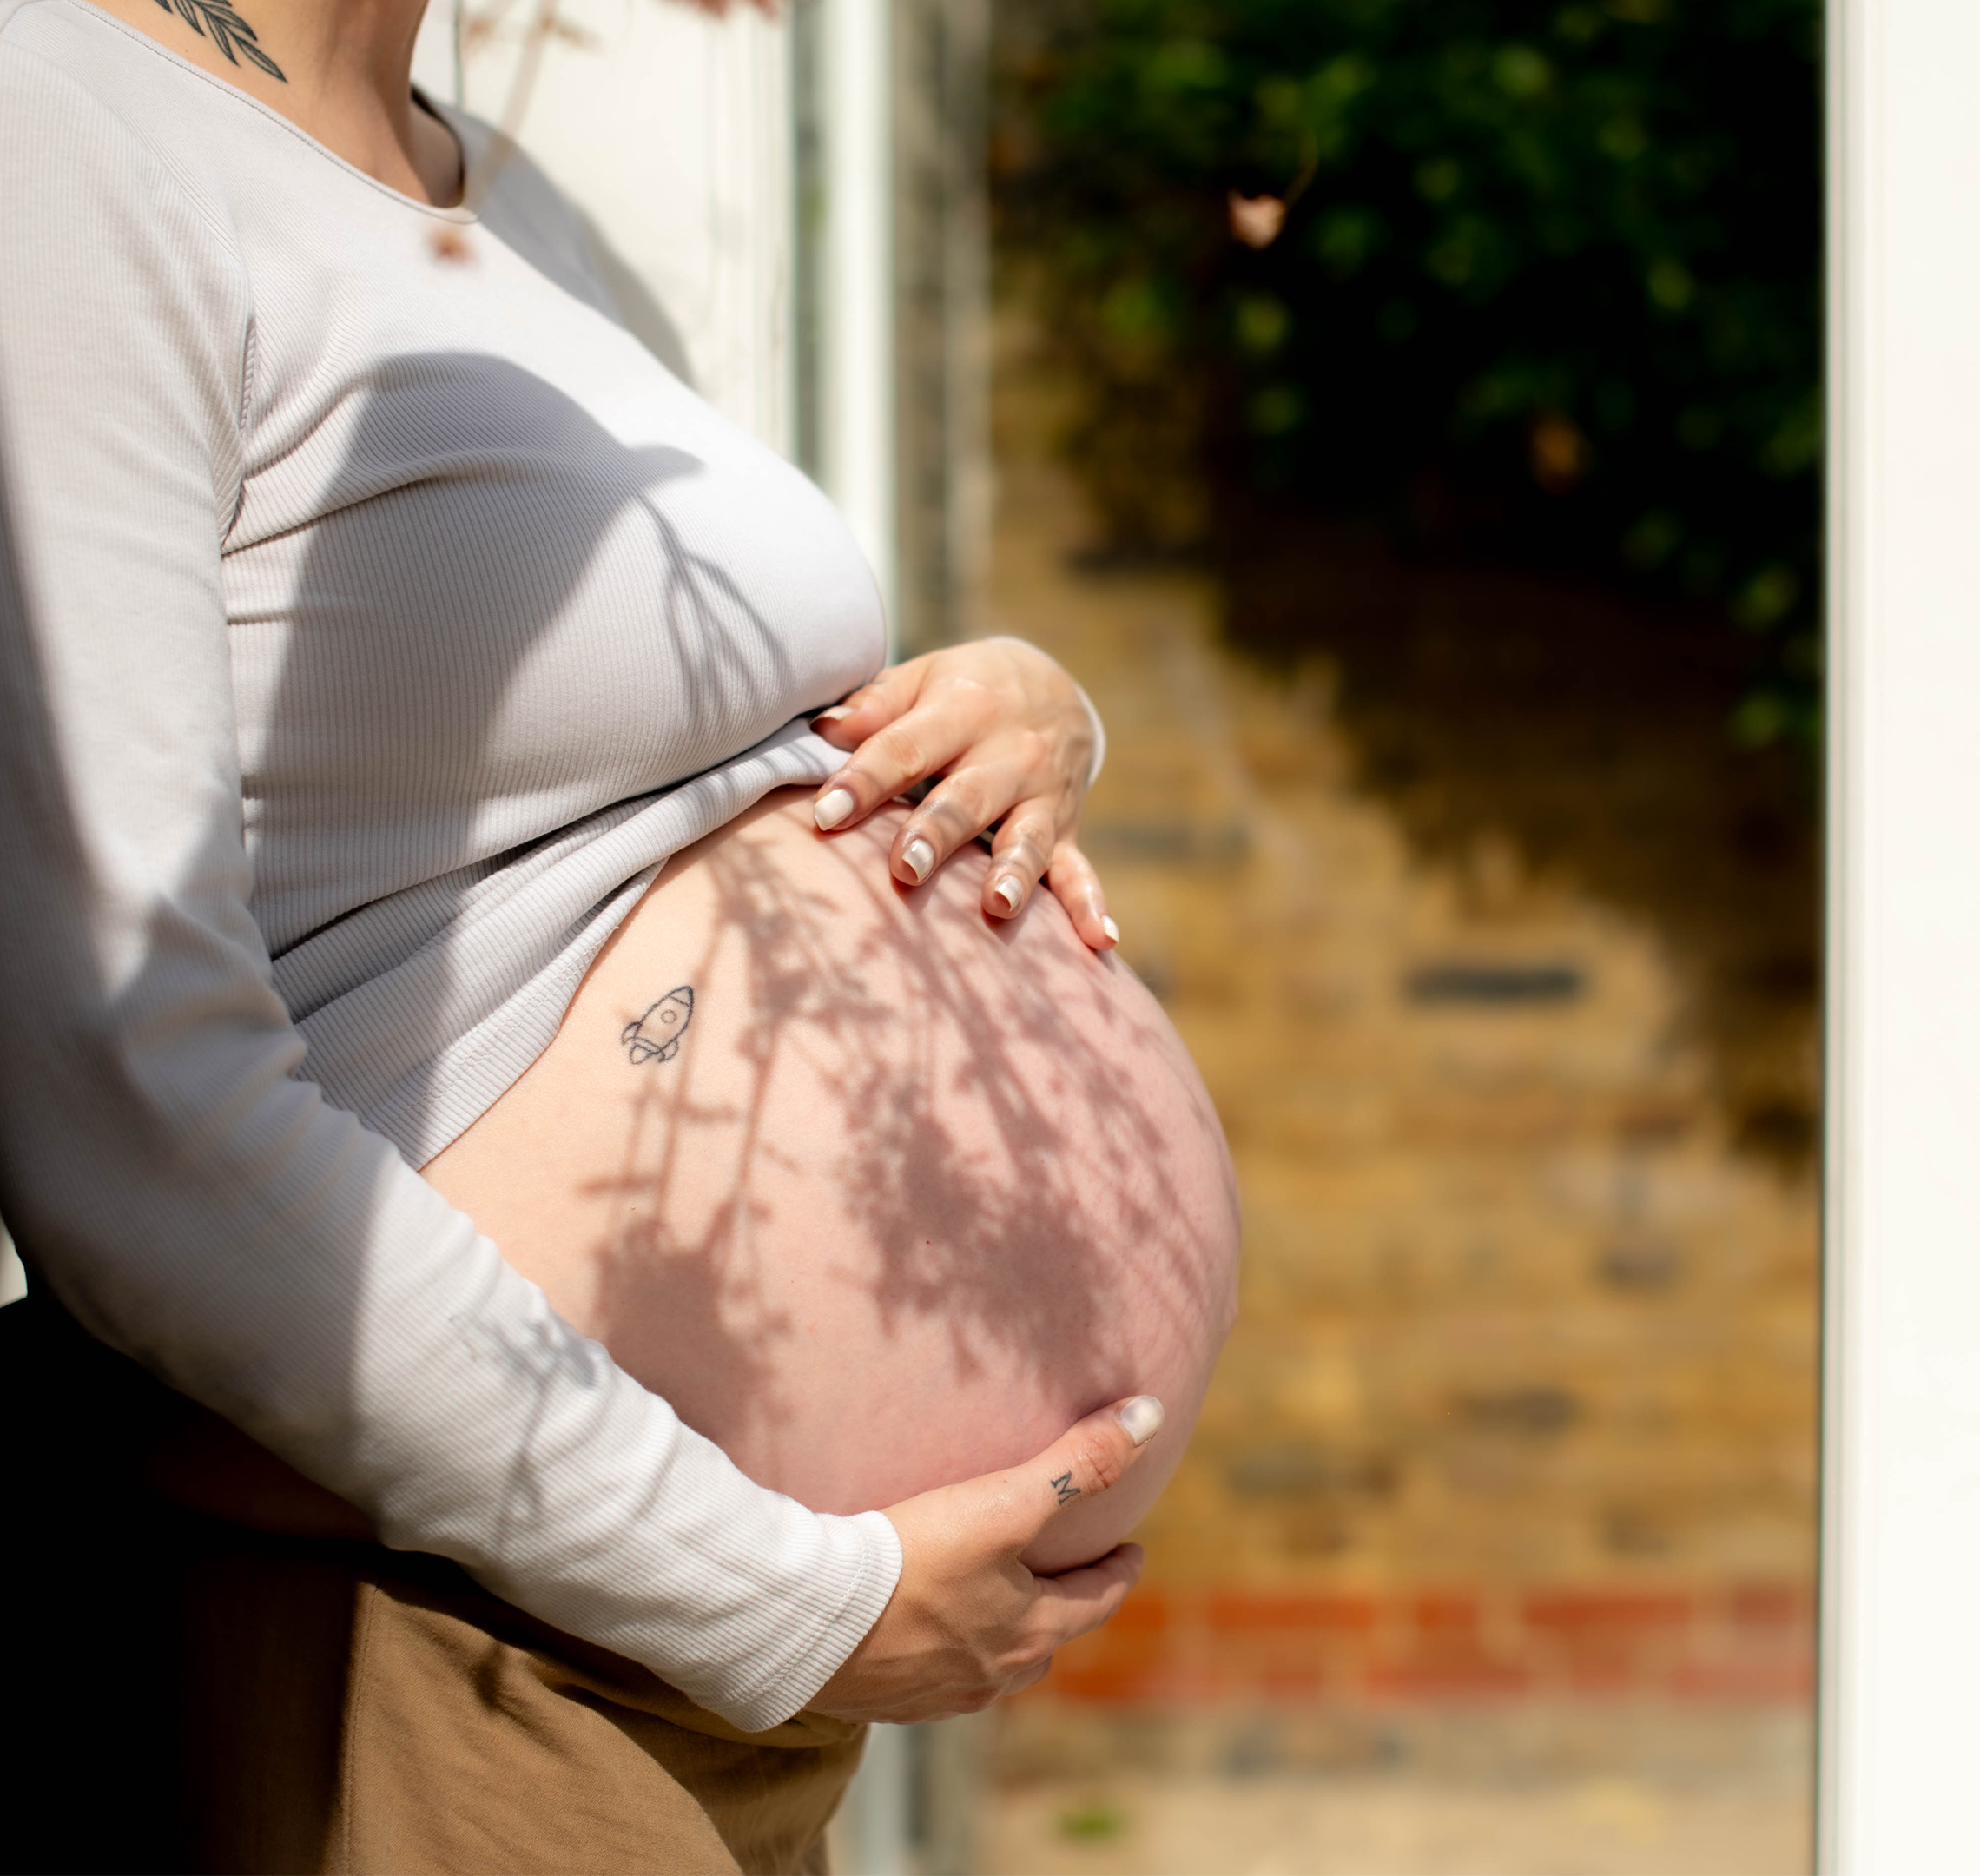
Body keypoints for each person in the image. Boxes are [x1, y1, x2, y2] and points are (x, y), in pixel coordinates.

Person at [0, 0, 1239, 1870]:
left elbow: (646, 741)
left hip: (692, 1660)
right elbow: (119, 1087)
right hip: (458, 1636)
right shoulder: (57, 130)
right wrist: (772, 1598)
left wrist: (1019, 710)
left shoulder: (489, 191)